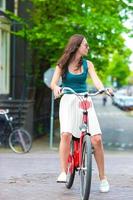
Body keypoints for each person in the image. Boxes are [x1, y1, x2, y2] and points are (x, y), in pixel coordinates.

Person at [51, 34, 112, 193]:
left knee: (97, 139)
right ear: (76, 46)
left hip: (84, 100)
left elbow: (96, 80)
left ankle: (103, 178)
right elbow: (53, 82)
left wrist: (104, 89)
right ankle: (64, 171)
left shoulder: (88, 64)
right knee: (66, 134)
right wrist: (56, 88)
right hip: (68, 101)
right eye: (85, 45)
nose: (88, 47)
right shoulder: (62, 64)